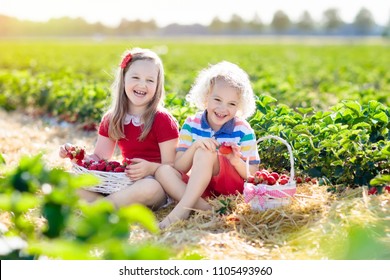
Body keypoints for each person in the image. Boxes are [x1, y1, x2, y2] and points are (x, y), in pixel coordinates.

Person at [59, 48, 179, 210]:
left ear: (158, 85)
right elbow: (99, 158)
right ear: (123, 79)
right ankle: (108, 205)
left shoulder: (162, 119)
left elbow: (172, 167)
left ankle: (100, 208)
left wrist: (151, 168)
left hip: (156, 185)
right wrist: (77, 156)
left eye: (150, 80)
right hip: (123, 183)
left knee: (149, 188)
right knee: (64, 180)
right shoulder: (113, 118)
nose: (142, 85)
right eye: (135, 77)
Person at [155, 61, 260, 228]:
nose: (222, 108)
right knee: (163, 171)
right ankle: (208, 209)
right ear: (205, 98)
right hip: (199, 189)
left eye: (231, 104)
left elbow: (253, 174)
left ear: (239, 106)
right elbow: (180, 167)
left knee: (206, 152)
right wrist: (196, 145)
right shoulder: (191, 124)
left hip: (229, 188)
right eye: (217, 99)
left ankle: (182, 210)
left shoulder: (243, 130)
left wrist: (235, 161)